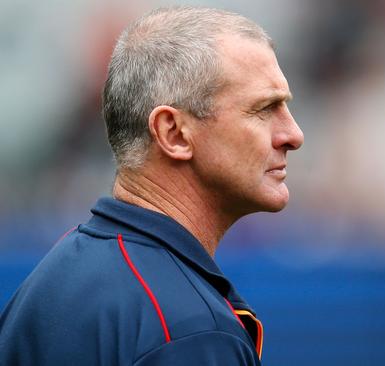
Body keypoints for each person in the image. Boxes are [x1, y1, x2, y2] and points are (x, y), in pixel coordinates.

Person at [0, 6, 303, 365]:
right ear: (173, 133)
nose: (293, 135)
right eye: (263, 109)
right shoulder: (190, 331)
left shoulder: (52, 281)